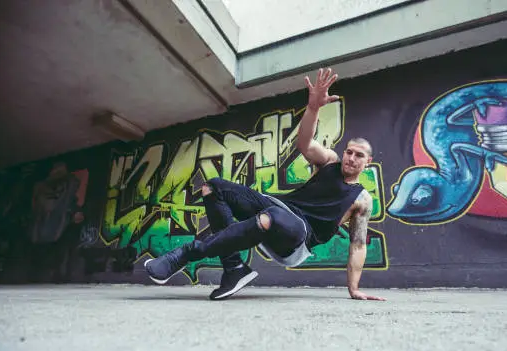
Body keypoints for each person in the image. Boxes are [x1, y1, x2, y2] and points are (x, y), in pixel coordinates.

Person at [145, 68, 385, 301]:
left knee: (273, 216)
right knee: (214, 187)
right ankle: (234, 269)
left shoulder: (361, 200)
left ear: (368, 162)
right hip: (278, 208)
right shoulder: (329, 162)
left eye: (359, 156)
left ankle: (186, 254)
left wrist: (354, 289)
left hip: (298, 237)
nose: (351, 158)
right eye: (349, 152)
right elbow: (304, 144)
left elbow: (358, 245)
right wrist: (313, 108)